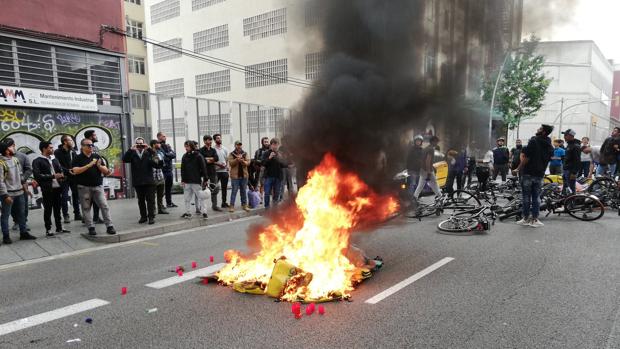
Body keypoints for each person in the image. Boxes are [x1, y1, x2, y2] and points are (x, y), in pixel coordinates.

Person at [71, 138, 116, 236]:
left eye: (92, 145)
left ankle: (109, 226)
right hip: (84, 187)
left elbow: (106, 171)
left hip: (97, 186)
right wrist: (89, 165)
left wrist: (99, 166)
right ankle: (91, 227)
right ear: (82, 147)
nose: (91, 147)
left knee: (104, 206)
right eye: (88, 145)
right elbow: (75, 171)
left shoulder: (96, 156)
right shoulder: (77, 158)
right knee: (86, 208)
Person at [513, 124, 554, 228]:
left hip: (528, 173)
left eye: (540, 129)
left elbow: (526, 158)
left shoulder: (533, 141)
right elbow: (550, 158)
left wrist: (518, 168)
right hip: (539, 174)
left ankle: (526, 218)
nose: (537, 129)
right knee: (536, 197)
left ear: (543, 132)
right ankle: (535, 219)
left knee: (526, 197)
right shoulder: (550, 145)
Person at [0, 138, 37, 245]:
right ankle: (6, 236)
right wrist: (5, 195)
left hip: (19, 192)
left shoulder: (15, 160)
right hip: (8, 194)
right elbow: (0, 181)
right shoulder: (1, 163)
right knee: (5, 216)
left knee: (22, 214)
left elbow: (20, 175)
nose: (13, 148)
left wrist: (25, 189)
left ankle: (23, 233)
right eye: (11, 146)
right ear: (6, 150)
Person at [33, 141, 70, 237]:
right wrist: (53, 176)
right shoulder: (37, 161)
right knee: (48, 209)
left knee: (58, 209)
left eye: (52, 147)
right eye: (50, 148)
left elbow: (59, 170)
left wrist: (62, 176)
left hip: (58, 188)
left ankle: (59, 227)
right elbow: (37, 176)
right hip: (47, 189)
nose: (52, 149)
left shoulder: (54, 159)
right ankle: (48, 229)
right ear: (44, 149)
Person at [123, 137, 160, 224]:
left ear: (144, 144)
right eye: (138, 144)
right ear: (135, 144)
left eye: (141, 144)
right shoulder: (132, 153)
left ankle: (151, 217)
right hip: (138, 181)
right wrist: (130, 149)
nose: (140, 145)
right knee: (141, 200)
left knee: (150, 200)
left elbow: (156, 163)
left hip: (149, 181)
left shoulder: (148, 152)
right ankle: (143, 217)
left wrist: (149, 148)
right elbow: (124, 159)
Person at [54, 135, 81, 223]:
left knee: (76, 195)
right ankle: (65, 215)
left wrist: (76, 170)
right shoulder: (57, 152)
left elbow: (76, 162)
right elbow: (57, 165)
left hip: (74, 177)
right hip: (64, 177)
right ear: (65, 142)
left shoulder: (73, 151)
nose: (72, 142)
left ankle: (77, 214)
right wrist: (67, 171)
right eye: (70, 140)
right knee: (65, 197)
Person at [180, 140, 208, 219]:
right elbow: (183, 169)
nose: (186, 148)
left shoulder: (198, 155)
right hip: (187, 181)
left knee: (201, 197)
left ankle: (204, 212)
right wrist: (183, 180)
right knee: (187, 198)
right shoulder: (184, 156)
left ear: (192, 146)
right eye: (185, 146)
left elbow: (203, 168)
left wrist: (205, 179)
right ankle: (187, 212)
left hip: (196, 180)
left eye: (188, 146)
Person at [413, 136, 442, 200]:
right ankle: (440, 197)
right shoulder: (431, 149)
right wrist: (429, 172)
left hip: (423, 170)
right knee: (435, 184)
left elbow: (422, 160)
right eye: (436, 142)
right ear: (433, 142)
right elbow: (428, 161)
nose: (437, 143)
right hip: (428, 170)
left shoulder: (425, 148)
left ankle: (415, 197)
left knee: (420, 186)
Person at [83, 130, 103, 224]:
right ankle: (88, 218)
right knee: (89, 199)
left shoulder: (95, 147)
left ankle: (95, 217)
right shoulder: (87, 148)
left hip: (96, 175)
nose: (96, 136)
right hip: (89, 177)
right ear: (91, 137)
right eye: (94, 135)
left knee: (94, 199)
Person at [198, 135, 220, 212]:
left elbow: (216, 158)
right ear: (204, 141)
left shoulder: (213, 150)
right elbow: (201, 159)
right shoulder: (200, 150)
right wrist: (211, 159)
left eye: (210, 140)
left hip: (212, 172)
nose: (210, 141)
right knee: (202, 190)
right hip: (204, 172)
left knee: (215, 188)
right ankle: (201, 207)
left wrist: (208, 159)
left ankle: (214, 205)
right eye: (208, 140)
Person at [261, 138, 285, 208]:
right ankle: (267, 207)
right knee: (267, 193)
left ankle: (275, 208)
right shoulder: (266, 153)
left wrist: (288, 165)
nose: (275, 146)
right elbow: (263, 163)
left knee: (277, 193)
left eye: (277, 144)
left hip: (278, 177)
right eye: (273, 144)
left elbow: (282, 164)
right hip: (268, 177)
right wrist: (269, 157)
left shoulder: (280, 154)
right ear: (271, 145)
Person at [228, 141, 251, 212]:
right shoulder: (231, 154)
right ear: (235, 146)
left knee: (243, 191)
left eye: (240, 145)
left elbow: (248, 163)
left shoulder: (245, 153)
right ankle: (231, 206)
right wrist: (237, 159)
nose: (239, 146)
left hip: (244, 176)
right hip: (235, 176)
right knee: (234, 191)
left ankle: (244, 205)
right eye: (238, 145)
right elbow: (231, 163)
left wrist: (242, 161)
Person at [157, 132, 177, 208]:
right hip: (161, 171)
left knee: (169, 187)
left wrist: (166, 154)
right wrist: (168, 155)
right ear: (159, 137)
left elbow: (174, 155)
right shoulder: (157, 146)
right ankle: (160, 205)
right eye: (163, 136)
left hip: (169, 170)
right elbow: (161, 157)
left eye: (165, 136)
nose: (165, 137)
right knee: (161, 189)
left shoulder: (167, 146)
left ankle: (169, 203)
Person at [561, 129, 581, 195]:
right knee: (566, 187)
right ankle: (565, 200)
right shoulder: (569, 145)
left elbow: (577, 160)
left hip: (571, 171)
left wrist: (574, 172)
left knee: (571, 188)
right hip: (566, 169)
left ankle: (571, 203)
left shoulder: (575, 146)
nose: (564, 137)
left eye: (565, 135)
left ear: (570, 136)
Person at [151, 140, 168, 215]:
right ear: (153, 145)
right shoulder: (149, 153)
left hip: (160, 176)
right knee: (152, 195)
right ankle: (153, 209)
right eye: (158, 143)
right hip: (152, 176)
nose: (159, 145)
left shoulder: (160, 152)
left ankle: (160, 209)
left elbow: (162, 163)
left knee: (161, 194)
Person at [213, 134, 230, 208]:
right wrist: (219, 165)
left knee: (224, 188)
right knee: (215, 188)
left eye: (220, 138)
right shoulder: (213, 149)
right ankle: (214, 205)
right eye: (217, 138)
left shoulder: (225, 149)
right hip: (216, 172)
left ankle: (224, 202)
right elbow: (212, 161)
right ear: (215, 140)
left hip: (224, 172)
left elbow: (227, 159)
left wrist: (227, 166)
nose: (219, 139)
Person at [405, 135, 424, 200]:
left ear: (421, 142)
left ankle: (416, 197)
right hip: (412, 170)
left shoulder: (422, 150)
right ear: (415, 142)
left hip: (419, 170)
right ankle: (410, 198)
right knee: (412, 184)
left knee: (419, 185)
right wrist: (408, 169)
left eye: (419, 141)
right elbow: (408, 159)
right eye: (417, 141)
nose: (418, 142)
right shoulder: (412, 150)